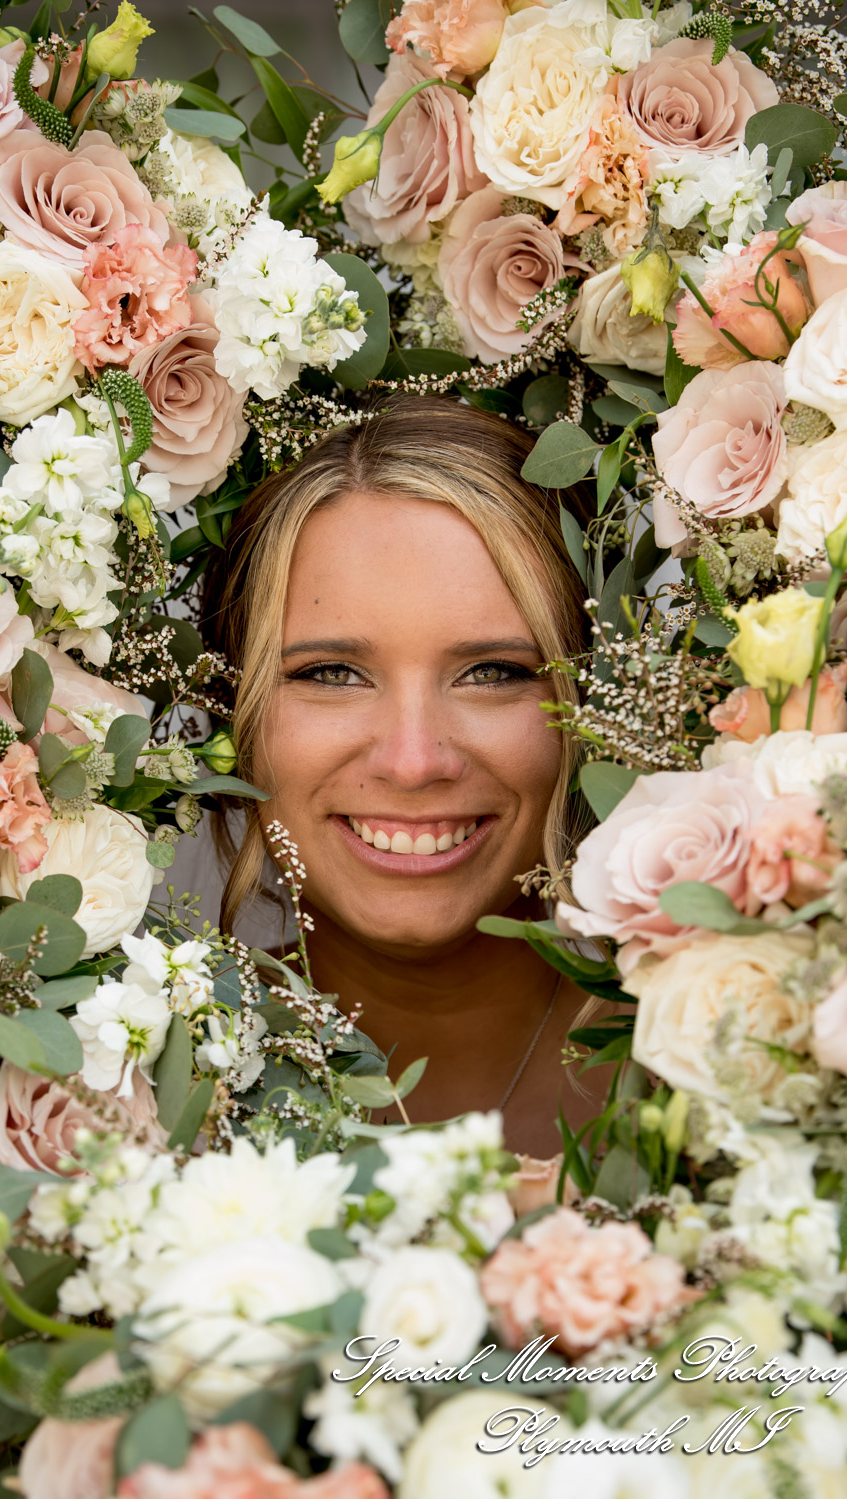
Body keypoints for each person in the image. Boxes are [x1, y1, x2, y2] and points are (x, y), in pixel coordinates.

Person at [202, 395, 614, 1156]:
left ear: (595, 706)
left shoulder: (736, 1077)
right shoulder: (104, 1090)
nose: (414, 762)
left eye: (492, 672)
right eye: (332, 673)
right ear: (236, 719)